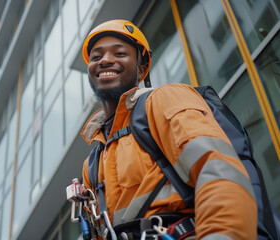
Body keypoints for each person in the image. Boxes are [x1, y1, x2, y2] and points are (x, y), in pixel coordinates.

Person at [79, 19, 257, 239]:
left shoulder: (164, 99)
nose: (105, 60)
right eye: (96, 57)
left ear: (141, 69)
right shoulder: (93, 163)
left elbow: (217, 172)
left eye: (119, 53)